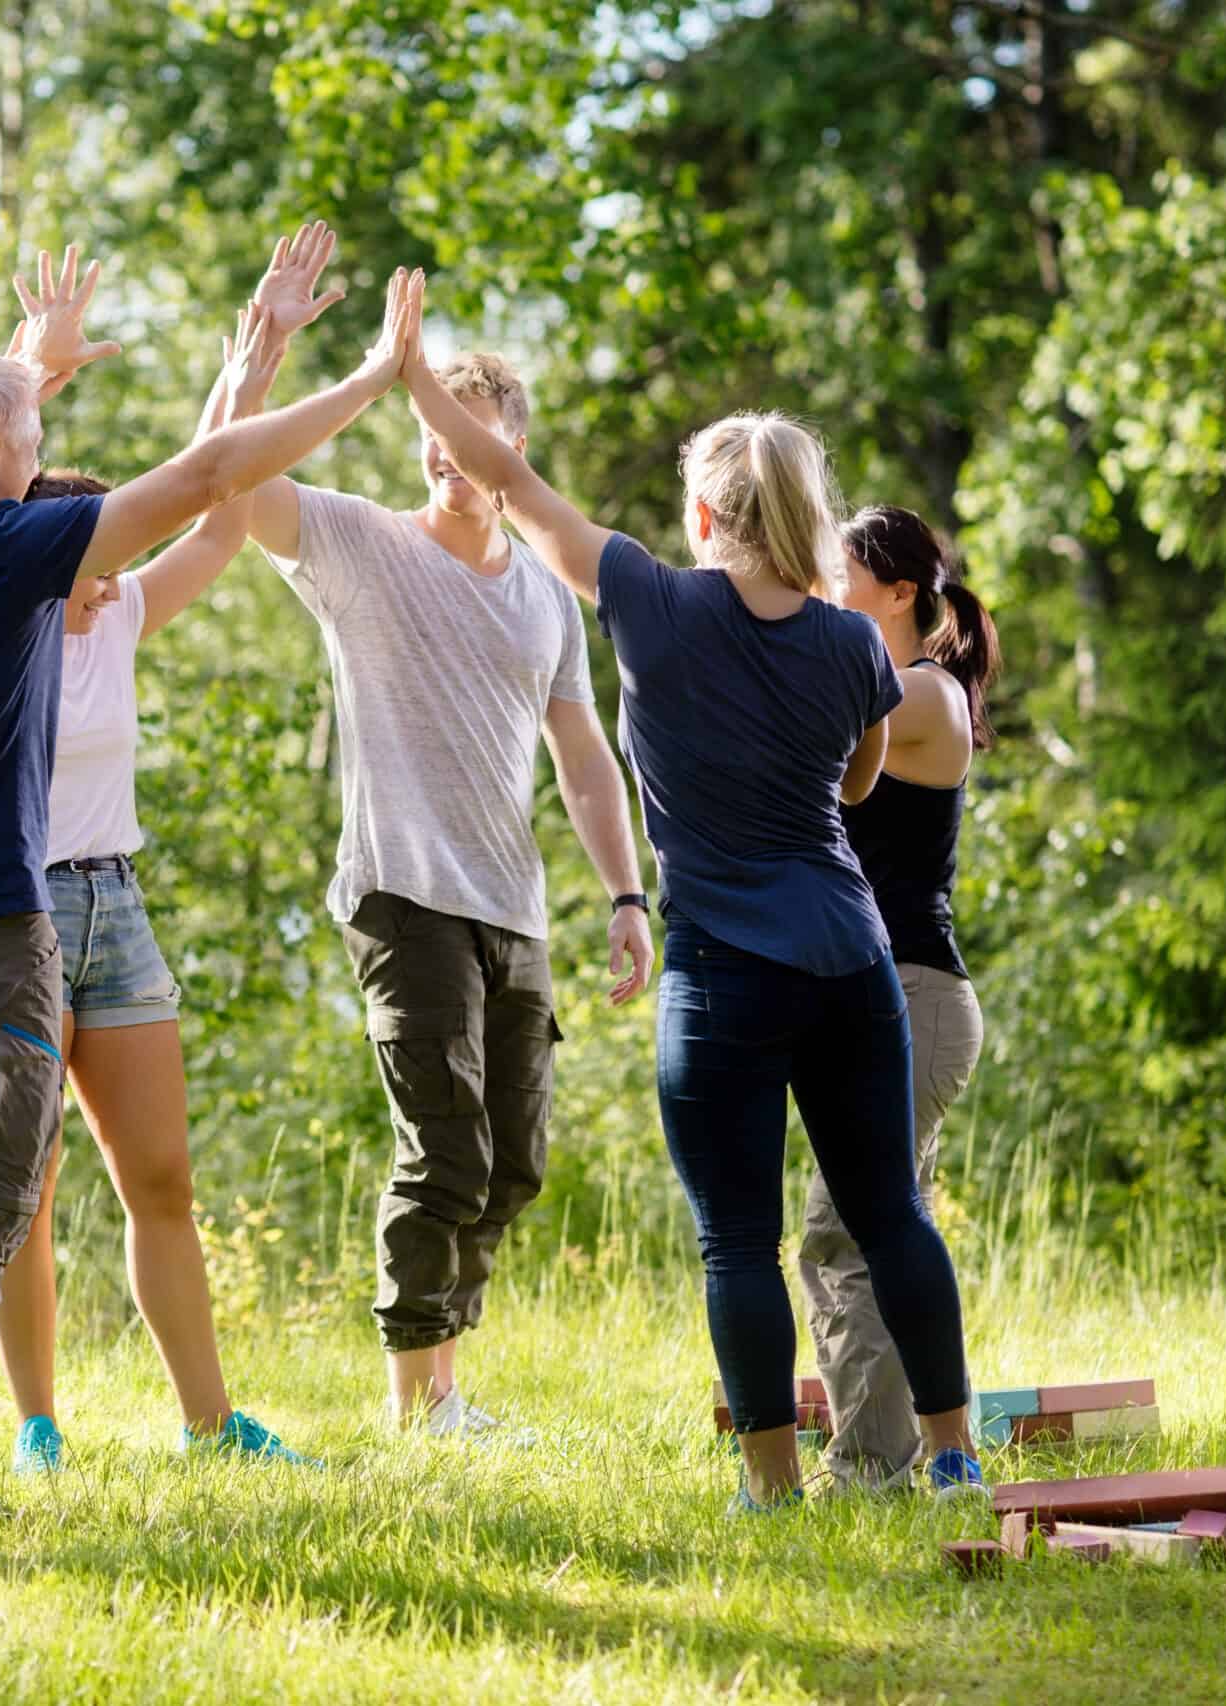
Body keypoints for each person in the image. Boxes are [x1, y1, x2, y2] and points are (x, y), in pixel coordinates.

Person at [0, 242, 424, 1514]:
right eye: (30, 433)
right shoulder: (3, 556)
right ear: (2, 466)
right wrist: (376, 374)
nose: (39, 449)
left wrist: (26, 363)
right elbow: (213, 475)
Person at [398, 305, 985, 1510]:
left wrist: (409, 373)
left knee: (738, 1237)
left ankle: (770, 1486)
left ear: (706, 514)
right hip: (851, 958)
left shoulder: (648, 603)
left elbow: (504, 476)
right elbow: (859, 778)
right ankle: (954, 1457)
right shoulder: (851, 645)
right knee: (890, 1212)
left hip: (723, 970)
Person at [236, 270, 654, 1437]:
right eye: (426, 436)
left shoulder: (545, 599)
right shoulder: (360, 545)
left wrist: (625, 892)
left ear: (510, 450)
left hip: (512, 906)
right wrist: (274, 360)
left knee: (511, 1160)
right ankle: (417, 1403)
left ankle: (445, 1391)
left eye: (465, 440)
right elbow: (235, 478)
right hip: (398, 890)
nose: (441, 457)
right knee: (443, 1146)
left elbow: (581, 753)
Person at [0, 228, 347, 1474]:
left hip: (115, 912)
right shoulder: (4, 627)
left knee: (163, 1177)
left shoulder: (125, 609)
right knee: (21, 1196)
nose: (109, 565)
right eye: (88, 548)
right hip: (16, 919)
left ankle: (211, 1424)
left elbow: (206, 498)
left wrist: (257, 357)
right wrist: (21, 370)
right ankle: (37, 1425)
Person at [802, 504, 1002, 1491]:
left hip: (913, 995)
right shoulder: (900, 684)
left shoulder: (921, 695)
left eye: (833, 568)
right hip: (890, 993)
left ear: (893, 590)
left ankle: (869, 1468)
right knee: (885, 1223)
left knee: (841, 1226)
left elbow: (822, 757)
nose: (817, 580)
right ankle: (940, 1452)